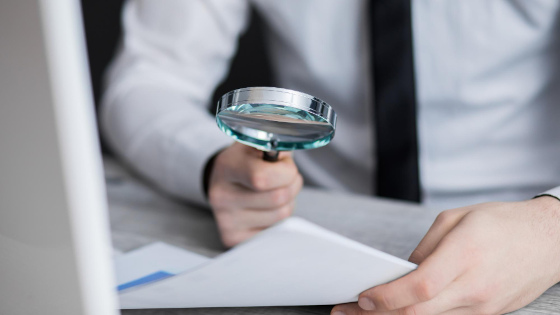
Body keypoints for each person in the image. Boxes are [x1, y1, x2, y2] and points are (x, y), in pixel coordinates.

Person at [100, 1, 560, 314]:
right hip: (313, 224)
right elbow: (148, 79)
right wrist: (211, 163)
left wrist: (550, 228)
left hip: (522, 228)